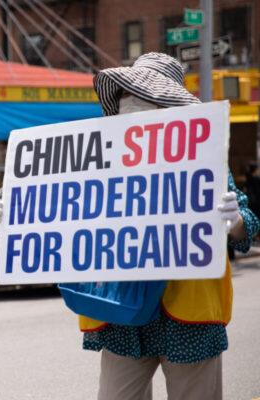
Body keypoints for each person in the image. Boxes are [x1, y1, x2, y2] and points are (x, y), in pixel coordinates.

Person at [81, 53, 259, 400]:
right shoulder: (100, 165)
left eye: (145, 100)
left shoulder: (204, 159)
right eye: (126, 98)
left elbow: (246, 227)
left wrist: (234, 220)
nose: (131, 108)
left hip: (187, 313)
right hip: (123, 313)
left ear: (169, 110)